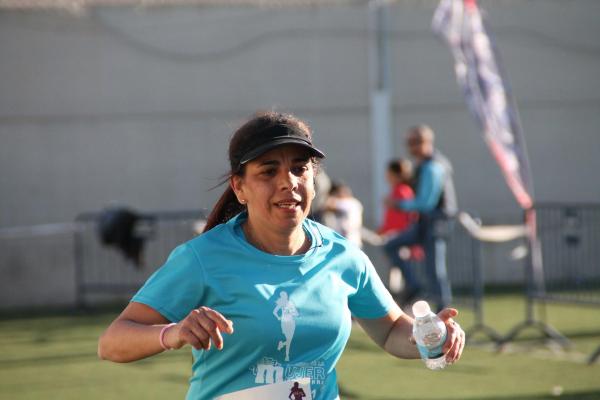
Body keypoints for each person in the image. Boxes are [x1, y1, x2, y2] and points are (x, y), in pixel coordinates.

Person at [97, 112, 464, 399]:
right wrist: (174, 333)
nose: (288, 181)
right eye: (268, 171)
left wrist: (430, 337)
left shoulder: (341, 256)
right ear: (239, 187)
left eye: (299, 169)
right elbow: (113, 342)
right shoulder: (202, 258)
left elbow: (390, 332)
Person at [383, 125, 458, 312]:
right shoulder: (424, 165)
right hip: (425, 223)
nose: (410, 148)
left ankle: (444, 310)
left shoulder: (433, 166)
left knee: (435, 270)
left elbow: (426, 203)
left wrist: (398, 204)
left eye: (413, 143)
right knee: (391, 245)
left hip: (437, 223)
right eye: (408, 143)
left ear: (425, 142)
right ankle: (414, 285)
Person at [378, 159, 424, 295]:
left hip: (400, 237)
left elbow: (408, 216)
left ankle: (412, 287)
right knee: (395, 271)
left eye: (388, 173)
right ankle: (404, 293)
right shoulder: (397, 190)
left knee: (400, 269)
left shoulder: (403, 191)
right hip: (394, 235)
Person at [322, 181, 364, 248]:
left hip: (349, 241)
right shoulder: (354, 202)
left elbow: (329, 204)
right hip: (349, 241)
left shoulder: (350, 203)